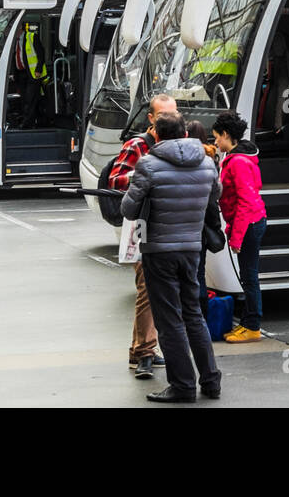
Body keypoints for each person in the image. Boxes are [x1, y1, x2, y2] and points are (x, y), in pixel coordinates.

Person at [121, 112, 223, 403]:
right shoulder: (207, 162)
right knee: (193, 314)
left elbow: (129, 210)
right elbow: (215, 194)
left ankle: (182, 386)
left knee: (169, 321)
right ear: (185, 134)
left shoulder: (148, 165)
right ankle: (211, 381)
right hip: (191, 249)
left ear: (157, 134)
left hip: (159, 251)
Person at [109, 92, 177, 379]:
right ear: (151, 119)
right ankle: (145, 352)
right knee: (147, 290)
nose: (170, 120)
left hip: (169, 225)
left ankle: (142, 349)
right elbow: (115, 179)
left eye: (173, 114)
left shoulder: (177, 144)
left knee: (155, 291)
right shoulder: (138, 145)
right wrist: (146, 176)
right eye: (164, 116)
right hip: (143, 226)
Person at [213, 110, 266, 343]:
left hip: (249, 224)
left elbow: (246, 201)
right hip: (251, 222)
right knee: (248, 276)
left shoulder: (238, 163)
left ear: (226, 135)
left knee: (249, 277)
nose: (215, 142)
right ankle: (249, 323)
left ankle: (252, 325)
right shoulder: (242, 158)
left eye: (217, 137)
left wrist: (236, 237)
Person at [186, 120, 217, 321]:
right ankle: (202, 319)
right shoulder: (211, 159)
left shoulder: (184, 159)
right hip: (204, 225)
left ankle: (190, 318)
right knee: (199, 273)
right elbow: (215, 194)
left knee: (186, 277)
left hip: (184, 225)